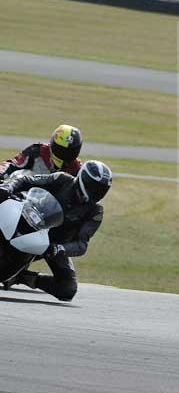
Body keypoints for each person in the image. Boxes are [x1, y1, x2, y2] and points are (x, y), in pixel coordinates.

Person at [0, 160, 112, 301]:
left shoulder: (96, 212)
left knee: (67, 289)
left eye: (102, 190)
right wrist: (9, 187)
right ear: (85, 180)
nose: (98, 193)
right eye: (96, 188)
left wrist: (59, 249)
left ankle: (21, 277)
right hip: (33, 220)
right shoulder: (62, 179)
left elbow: (82, 244)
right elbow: (27, 180)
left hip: (52, 244)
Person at [0, 124, 83, 180]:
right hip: (25, 199)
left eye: (70, 152)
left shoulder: (77, 168)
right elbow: (13, 164)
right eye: (61, 150)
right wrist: (1, 172)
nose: (65, 155)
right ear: (53, 144)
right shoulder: (37, 151)